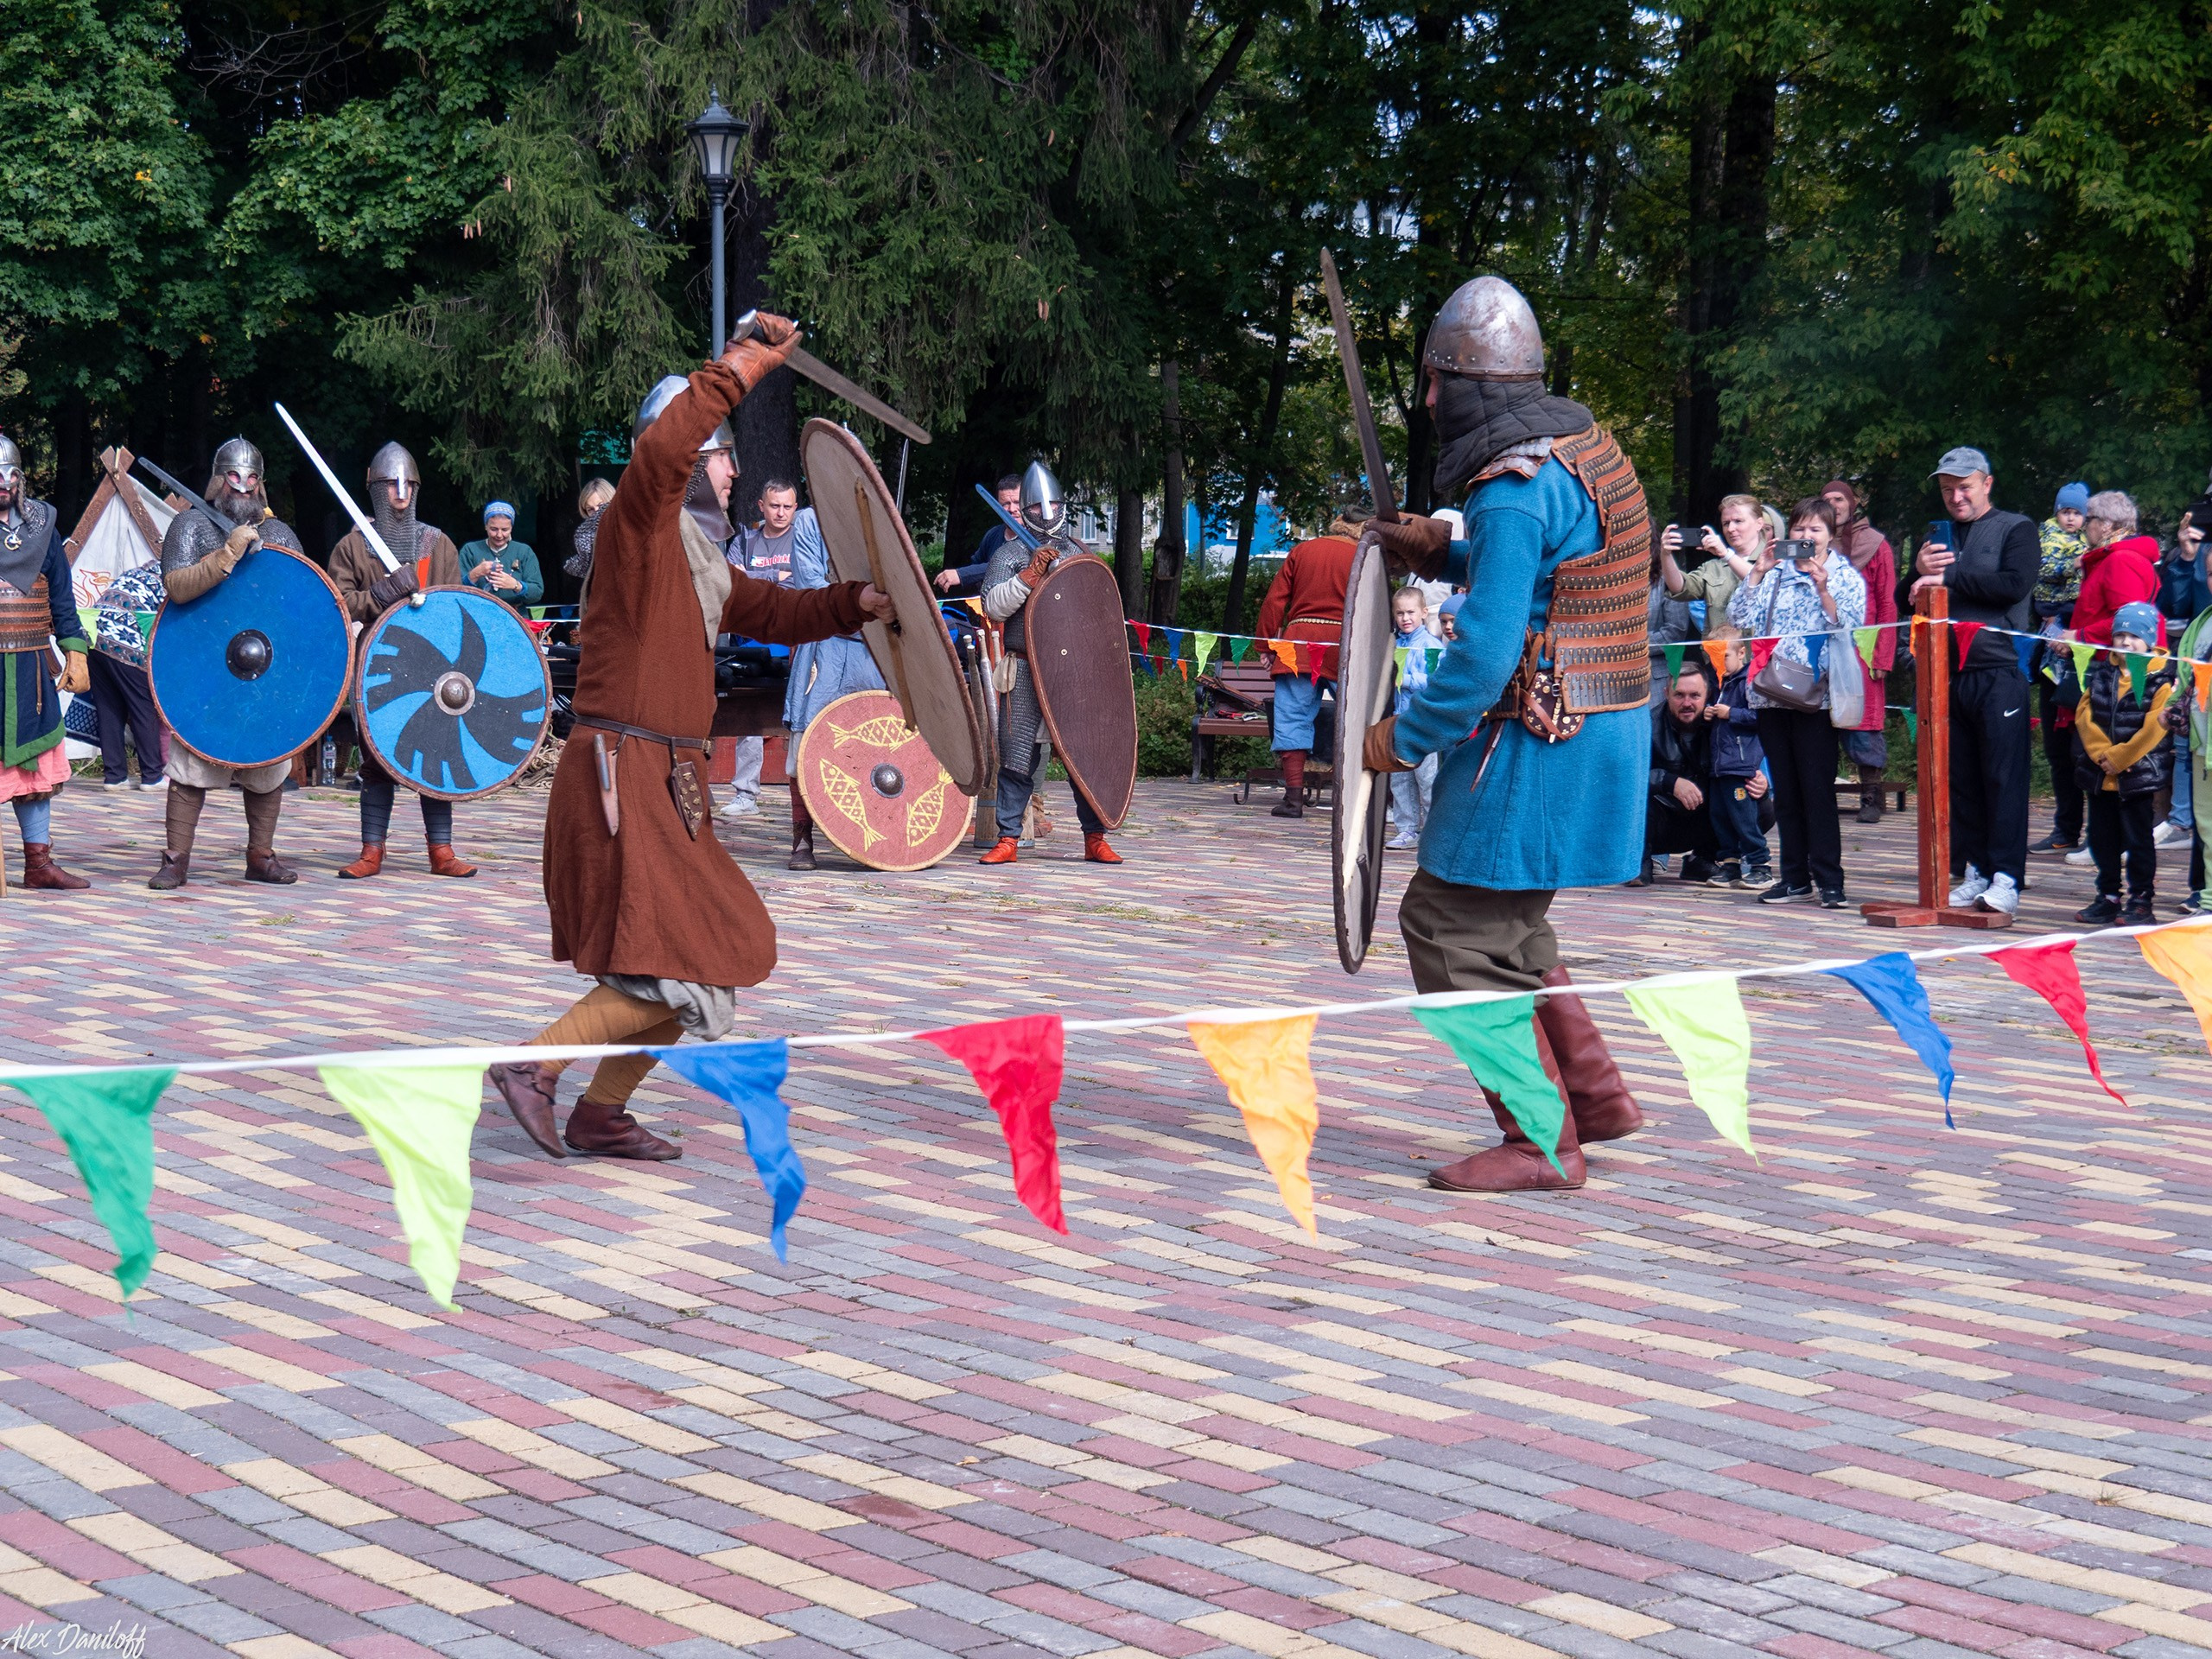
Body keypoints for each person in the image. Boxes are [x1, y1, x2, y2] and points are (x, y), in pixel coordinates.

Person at [486, 322, 893, 1160]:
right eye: (720, 453)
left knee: (706, 946)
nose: (733, 469)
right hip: (621, 776)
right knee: (683, 955)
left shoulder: (695, 551)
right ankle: (533, 1068)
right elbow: (663, 455)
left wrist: (858, 602)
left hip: (667, 781)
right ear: (681, 451)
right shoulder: (636, 525)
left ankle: (601, 1112)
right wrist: (739, 366)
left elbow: (776, 612)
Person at [1360, 275, 1647, 1195]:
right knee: (1510, 923)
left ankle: (1540, 1140)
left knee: (1444, 924)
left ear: (1475, 385)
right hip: (1598, 726)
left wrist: (1401, 739)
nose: (1432, 399)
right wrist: (1439, 551)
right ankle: (1593, 1103)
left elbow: (1482, 659)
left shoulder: (1510, 486)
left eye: (1440, 381)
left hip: (1536, 733)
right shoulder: (1583, 451)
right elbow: (1554, 569)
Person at [149, 437, 304, 889]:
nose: (243, 486)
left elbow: (299, 601)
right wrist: (227, 554)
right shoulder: (191, 526)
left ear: (262, 485)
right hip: (205, 663)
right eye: (234, 478)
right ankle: (176, 859)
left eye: (252, 478)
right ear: (218, 480)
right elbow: (177, 588)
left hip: (263, 661)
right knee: (191, 763)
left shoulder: (279, 534)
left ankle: (261, 856)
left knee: (267, 759)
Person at [325, 442, 477, 880]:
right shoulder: (353, 546)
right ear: (375, 487)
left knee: (438, 752)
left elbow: (458, 606)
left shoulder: (438, 544)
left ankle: (442, 851)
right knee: (376, 756)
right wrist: (378, 596)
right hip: (381, 666)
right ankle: (372, 851)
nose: (401, 491)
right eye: (392, 483)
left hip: (436, 669)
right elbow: (338, 604)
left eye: (408, 483)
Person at [1908, 447, 2037, 917]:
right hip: (1945, 672)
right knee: (1960, 778)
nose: (1956, 497)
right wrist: (1919, 573)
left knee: (2002, 778)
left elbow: (2014, 584)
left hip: (1999, 669)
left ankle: (2007, 878)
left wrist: (1950, 575)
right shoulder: (1934, 536)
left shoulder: (2016, 528)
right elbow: (1913, 593)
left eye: (1964, 487)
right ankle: (1975, 870)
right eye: (1947, 489)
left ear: (1987, 483)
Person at [976, 462, 1125, 866]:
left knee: (1084, 751)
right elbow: (993, 606)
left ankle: (1095, 837)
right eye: (1038, 506)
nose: (1046, 512)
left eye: (1053, 503)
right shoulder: (1010, 554)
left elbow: (1098, 613)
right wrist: (1028, 575)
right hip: (1025, 665)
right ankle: (1009, 838)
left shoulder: (1079, 553)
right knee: (1017, 753)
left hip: (1074, 671)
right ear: (1024, 508)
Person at [1725, 496, 1866, 907]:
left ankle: (1830, 880)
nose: (1806, 538)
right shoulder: (1773, 572)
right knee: (1785, 790)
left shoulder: (1844, 576)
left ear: (1830, 535)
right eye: (1800, 530)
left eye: (1815, 530)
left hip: (1815, 696)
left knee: (1817, 789)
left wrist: (1823, 588)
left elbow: (1851, 627)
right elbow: (1738, 618)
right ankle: (1794, 878)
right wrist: (1758, 573)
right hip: (1770, 693)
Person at [0, 435, 92, 889]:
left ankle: (38, 865)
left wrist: (75, 649)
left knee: (34, 766)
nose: (2, 482)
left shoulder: (44, 527)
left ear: (20, 477)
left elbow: (62, 596)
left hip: (33, 666)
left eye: (9, 473)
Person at [781, 487, 887, 870]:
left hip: (872, 653)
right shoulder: (809, 522)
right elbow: (812, 590)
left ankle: (878, 835)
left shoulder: (881, 524)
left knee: (876, 741)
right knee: (804, 740)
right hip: (823, 649)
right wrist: (862, 607)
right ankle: (802, 841)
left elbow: (895, 589)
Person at [2070, 601, 2175, 925]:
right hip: (2101, 774)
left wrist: (2122, 757)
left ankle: (2141, 900)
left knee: (2138, 839)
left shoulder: (2160, 679)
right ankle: (2108, 895)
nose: (2125, 642)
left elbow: (2156, 727)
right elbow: (2084, 715)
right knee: (2101, 837)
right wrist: (2104, 755)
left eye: (2133, 635)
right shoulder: (2103, 672)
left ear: (2149, 640)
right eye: (2120, 635)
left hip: (2137, 775)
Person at [1253, 521, 1356, 818]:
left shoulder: (1302, 550)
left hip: (1298, 645)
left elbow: (1275, 601)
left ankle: (1293, 800)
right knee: (1358, 719)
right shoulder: (1364, 553)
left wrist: (1266, 646)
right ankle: (1357, 799)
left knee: (1292, 717)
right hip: (1346, 646)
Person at [719, 479, 803, 823]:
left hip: (796, 642)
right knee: (750, 716)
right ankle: (745, 793)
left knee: (802, 717)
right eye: (774, 505)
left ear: (795, 508)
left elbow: (801, 581)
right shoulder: (746, 539)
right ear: (761, 506)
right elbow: (733, 582)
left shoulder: (804, 538)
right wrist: (775, 574)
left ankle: (810, 795)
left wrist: (758, 576)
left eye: (787, 506)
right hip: (752, 642)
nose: (781, 512)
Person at [1823, 480, 1897, 823]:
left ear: (1853, 504)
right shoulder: (1815, 545)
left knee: (1864, 725)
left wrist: (1882, 655)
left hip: (1863, 648)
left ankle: (1871, 795)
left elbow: (1886, 602)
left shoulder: (1876, 545)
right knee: (1819, 721)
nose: (1834, 504)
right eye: (1827, 500)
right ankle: (1818, 792)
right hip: (1822, 647)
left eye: (1839, 499)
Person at [2030, 482, 2090, 853]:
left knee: (2083, 748)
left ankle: (2092, 834)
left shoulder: (2092, 546)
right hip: (2049, 641)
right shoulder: (2045, 538)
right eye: (2065, 511)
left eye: (2077, 513)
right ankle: (2065, 828)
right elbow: (2041, 573)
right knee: (2056, 747)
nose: (2070, 518)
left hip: (2082, 652)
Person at [87, 543, 168, 795]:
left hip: (94, 635)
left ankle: (115, 776)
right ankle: (152, 775)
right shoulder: (173, 579)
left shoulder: (140, 571)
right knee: (142, 706)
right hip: (124, 640)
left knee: (109, 708)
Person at [1634, 663, 1721, 886]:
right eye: (1679, 695)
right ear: (1666, 694)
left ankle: (1701, 860)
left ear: (1707, 695)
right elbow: (1628, 776)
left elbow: (1744, 756)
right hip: (1659, 822)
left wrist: (1755, 777)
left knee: (1757, 802)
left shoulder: (1721, 723)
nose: (1687, 703)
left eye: (1695, 695)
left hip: (1705, 818)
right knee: (1634, 799)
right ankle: (1639, 861)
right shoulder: (1647, 725)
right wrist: (1669, 782)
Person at [1703, 623, 1771, 887]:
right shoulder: (1721, 681)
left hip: (1740, 765)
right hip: (1720, 766)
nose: (1718, 662)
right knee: (1720, 817)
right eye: (1713, 657)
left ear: (1741, 653)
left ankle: (1760, 864)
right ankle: (1729, 864)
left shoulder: (1749, 681)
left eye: (1724, 657)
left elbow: (1760, 717)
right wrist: (1709, 714)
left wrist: (1730, 713)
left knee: (1744, 818)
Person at [2069, 490, 2160, 645]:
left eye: (2089, 519)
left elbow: (2129, 622)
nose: (2084, 527)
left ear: (2106, 524)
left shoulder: (2121, 559)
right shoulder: (2111, 557)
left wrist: (2079, 636)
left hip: (2112, 662)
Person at [1387, 585, 1439, 849]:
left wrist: (1402, 678)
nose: (1405, 618)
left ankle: (1430, 832)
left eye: (1410, 612)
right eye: (1400, 613)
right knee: (1400, 778)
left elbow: (1435, 681)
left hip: (1423, 722)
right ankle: (1406, 829)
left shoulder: (1431, 645)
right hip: (1399, 720)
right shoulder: (1394, 644)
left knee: (1426, 778)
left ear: (1424, 613)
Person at [938, 474, 1023, 595]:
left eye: (1017, 502)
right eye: (1005, 504)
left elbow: (1011, 566)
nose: (1012, 509)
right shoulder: (992, 535)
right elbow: (976, 567)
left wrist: (962, 574)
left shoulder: (1036, 537)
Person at [459, 501, 544, 608]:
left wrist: (516, 585)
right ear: (486, 526)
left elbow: (537, 593)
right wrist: (475, 574)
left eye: (505, 530)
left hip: (515, 616)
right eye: (493, 529)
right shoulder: (470, 550)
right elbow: (455, 590)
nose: (499, 535)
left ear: (511, 528)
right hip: (477, 615)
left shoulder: (524, 551)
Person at [566, 477, 615, 592]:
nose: (597, 511)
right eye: (591, 509)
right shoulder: (584, 536)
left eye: (602, 505)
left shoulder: (629, 528)